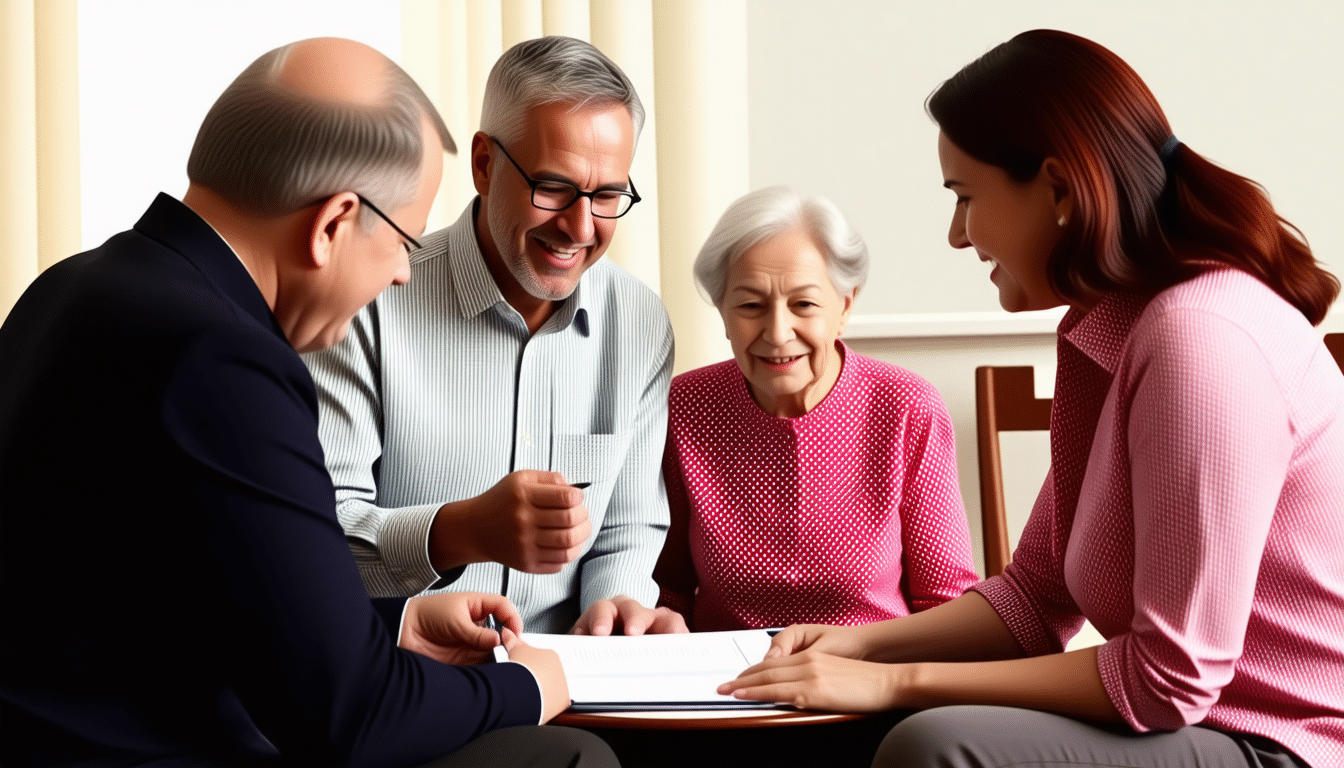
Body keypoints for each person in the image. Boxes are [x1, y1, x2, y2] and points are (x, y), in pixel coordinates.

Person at [719, 29, 1344, 768]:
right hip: (1202, 724)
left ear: (1056, 188)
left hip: (1280, 742)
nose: (957, 235)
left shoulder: (1199, 340)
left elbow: (1169, 680)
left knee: (933, 742)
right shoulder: (1106, 330)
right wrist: (854, 641)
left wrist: (891, 682)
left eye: (966, 197)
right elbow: (1035, 597)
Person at [0, 38, 617, 767]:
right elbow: (351, 718)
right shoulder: (224, 357)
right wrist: (528, 685)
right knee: (567, 755)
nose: (401, 277)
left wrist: (396, 624)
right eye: (402, 243)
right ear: (332, 224)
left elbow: (168, 601)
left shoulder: (66, 288)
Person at [305, 36, 682, 636]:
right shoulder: (372, 300)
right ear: (484, 163)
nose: (580, 227)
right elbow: (316, 541)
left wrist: (618, 605)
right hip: (406, 674)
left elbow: (628, 530)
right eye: (554, 187)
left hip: (573, 684)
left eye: (608, 195)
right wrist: (462, 530)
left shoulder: (638, 322)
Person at [653, 185, 978, 632]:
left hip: (874, 682)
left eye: (803, 304)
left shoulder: (906, 406)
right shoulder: (686, 406)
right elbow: (664, 586)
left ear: (844, 306)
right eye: (750, 305)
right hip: (728, 687)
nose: (778, 331)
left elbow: (945, 603)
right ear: (722, 310)